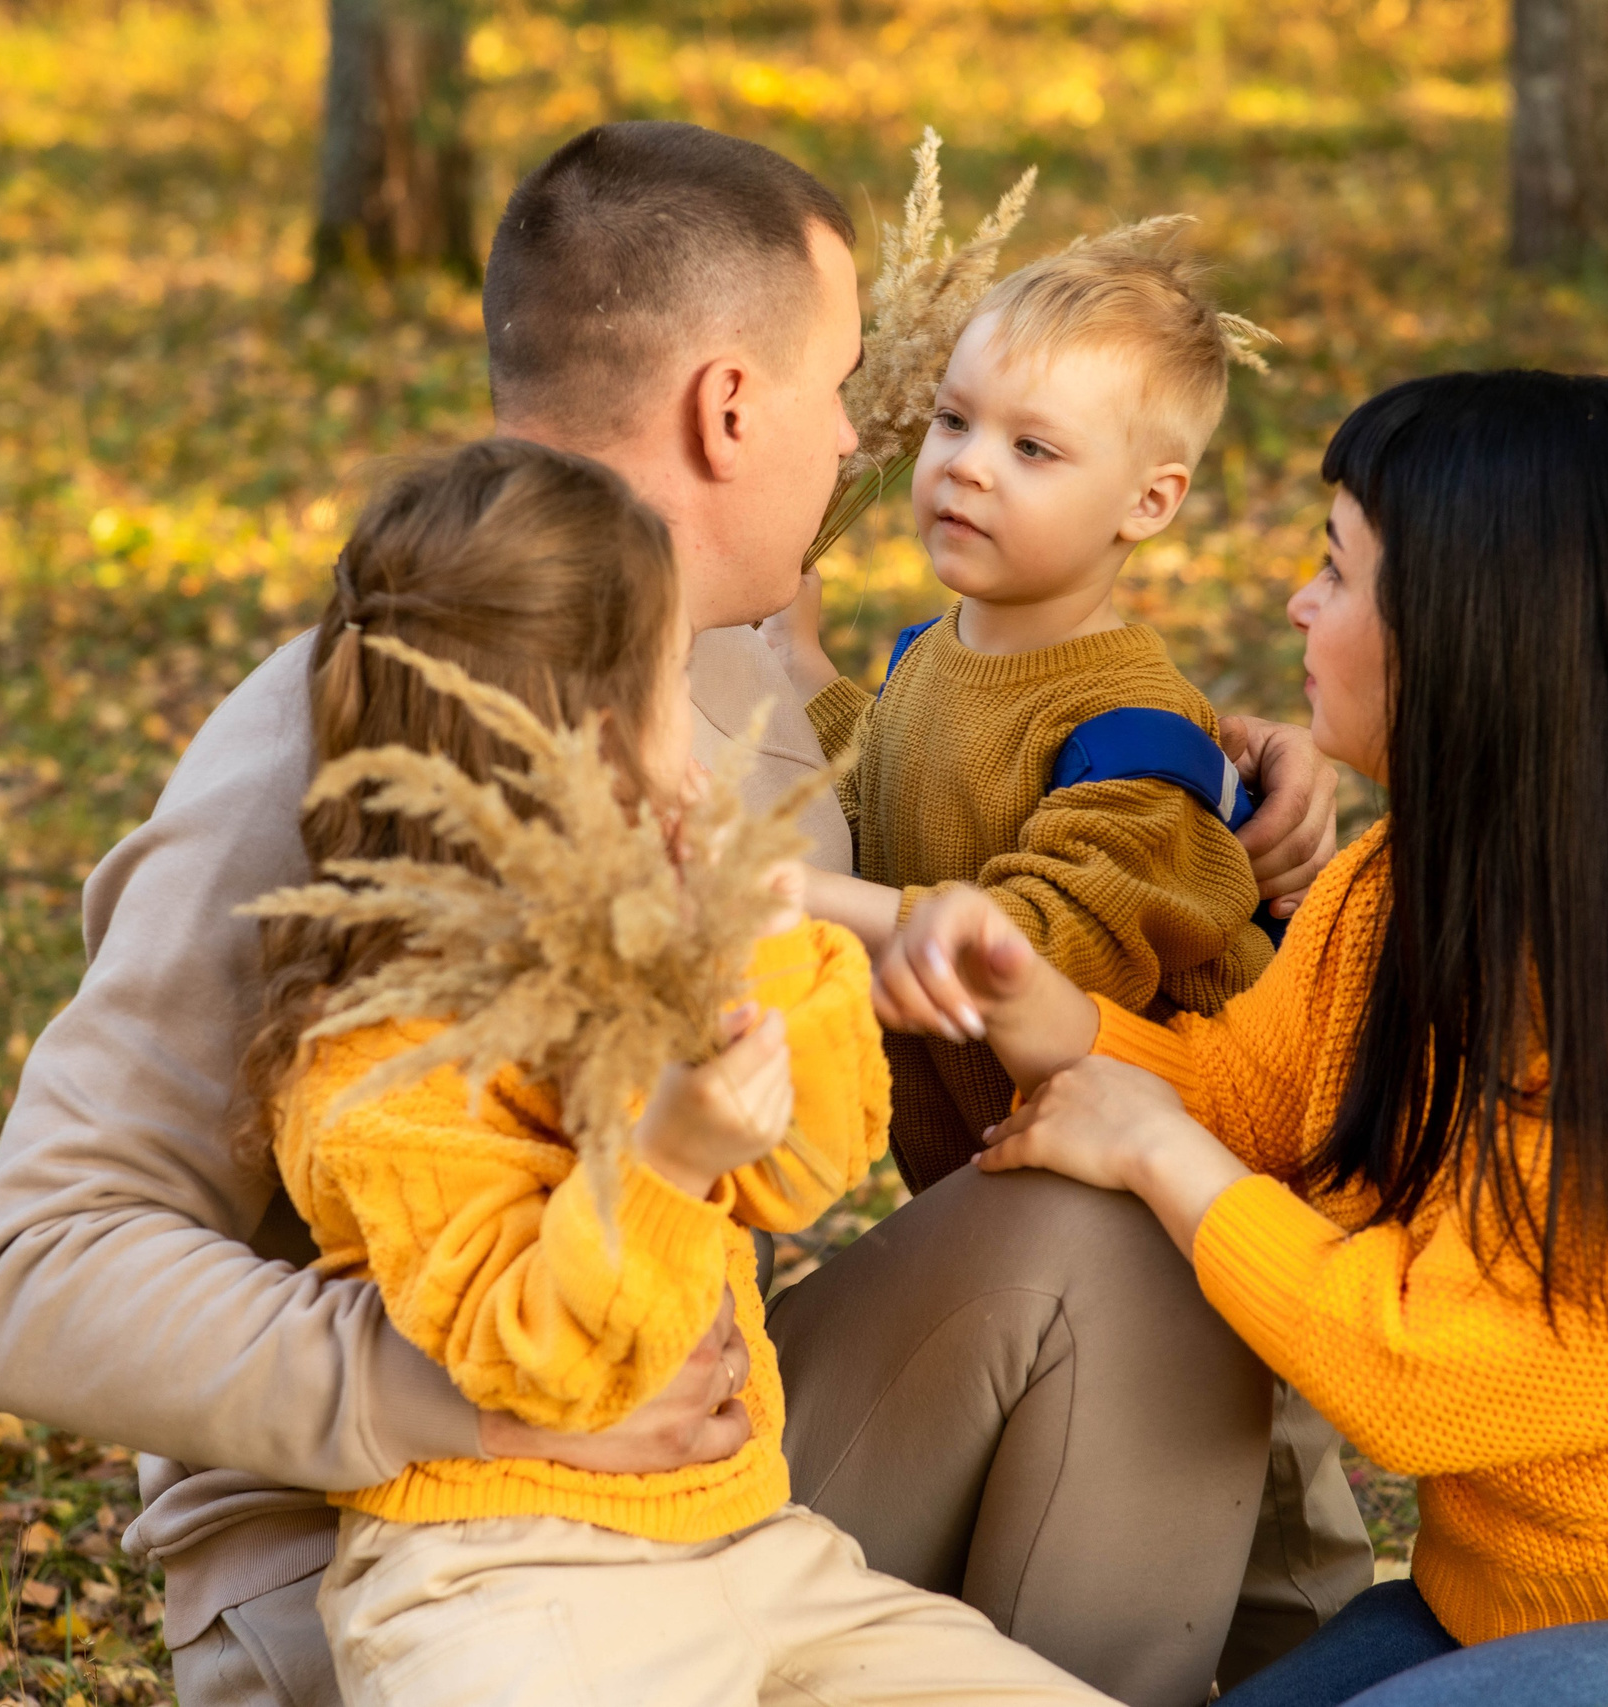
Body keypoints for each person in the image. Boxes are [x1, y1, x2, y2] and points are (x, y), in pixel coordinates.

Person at [0, 120, 1363, 1707]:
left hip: (712, 1491)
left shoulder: (742, 675)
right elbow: (35, 1275)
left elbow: (948, 770)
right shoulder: (363, 726)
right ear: (731, 406)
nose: (855, 446)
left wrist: (1207, 770)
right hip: (404, 1565)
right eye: (841, 394)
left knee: (1125, 1203)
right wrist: (484, 1396)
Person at [877, 371, 1608, 1706]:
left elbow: (1428, 1375)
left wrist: (1163, 1156)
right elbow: (1242, 1093)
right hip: (1508, 1615)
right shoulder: (1394, 890)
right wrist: (1020, 995)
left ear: (1472, 634)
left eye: (1339, 573)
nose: (1299, 603)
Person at [254, 440, 1120, 1706]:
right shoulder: (387, 1050)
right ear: (582, 737)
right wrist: (663, 1161)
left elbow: (802, 1170)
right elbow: (540, 1362)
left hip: (754, 1545)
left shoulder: (661, 933)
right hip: (501, 1577)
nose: (708, 723)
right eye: (676, 681)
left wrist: (759, 942)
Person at [783, 227, 1278, 1194]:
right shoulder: (934, 653)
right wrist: (801, 668)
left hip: (1160, 1204)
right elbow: (882, 806)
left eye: (1033, 447)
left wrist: (778, 895)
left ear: (1148, 502)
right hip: (1006, 1182)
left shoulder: (1133, 733)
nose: (968, 466)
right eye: (954, 420)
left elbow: (1037, 953)